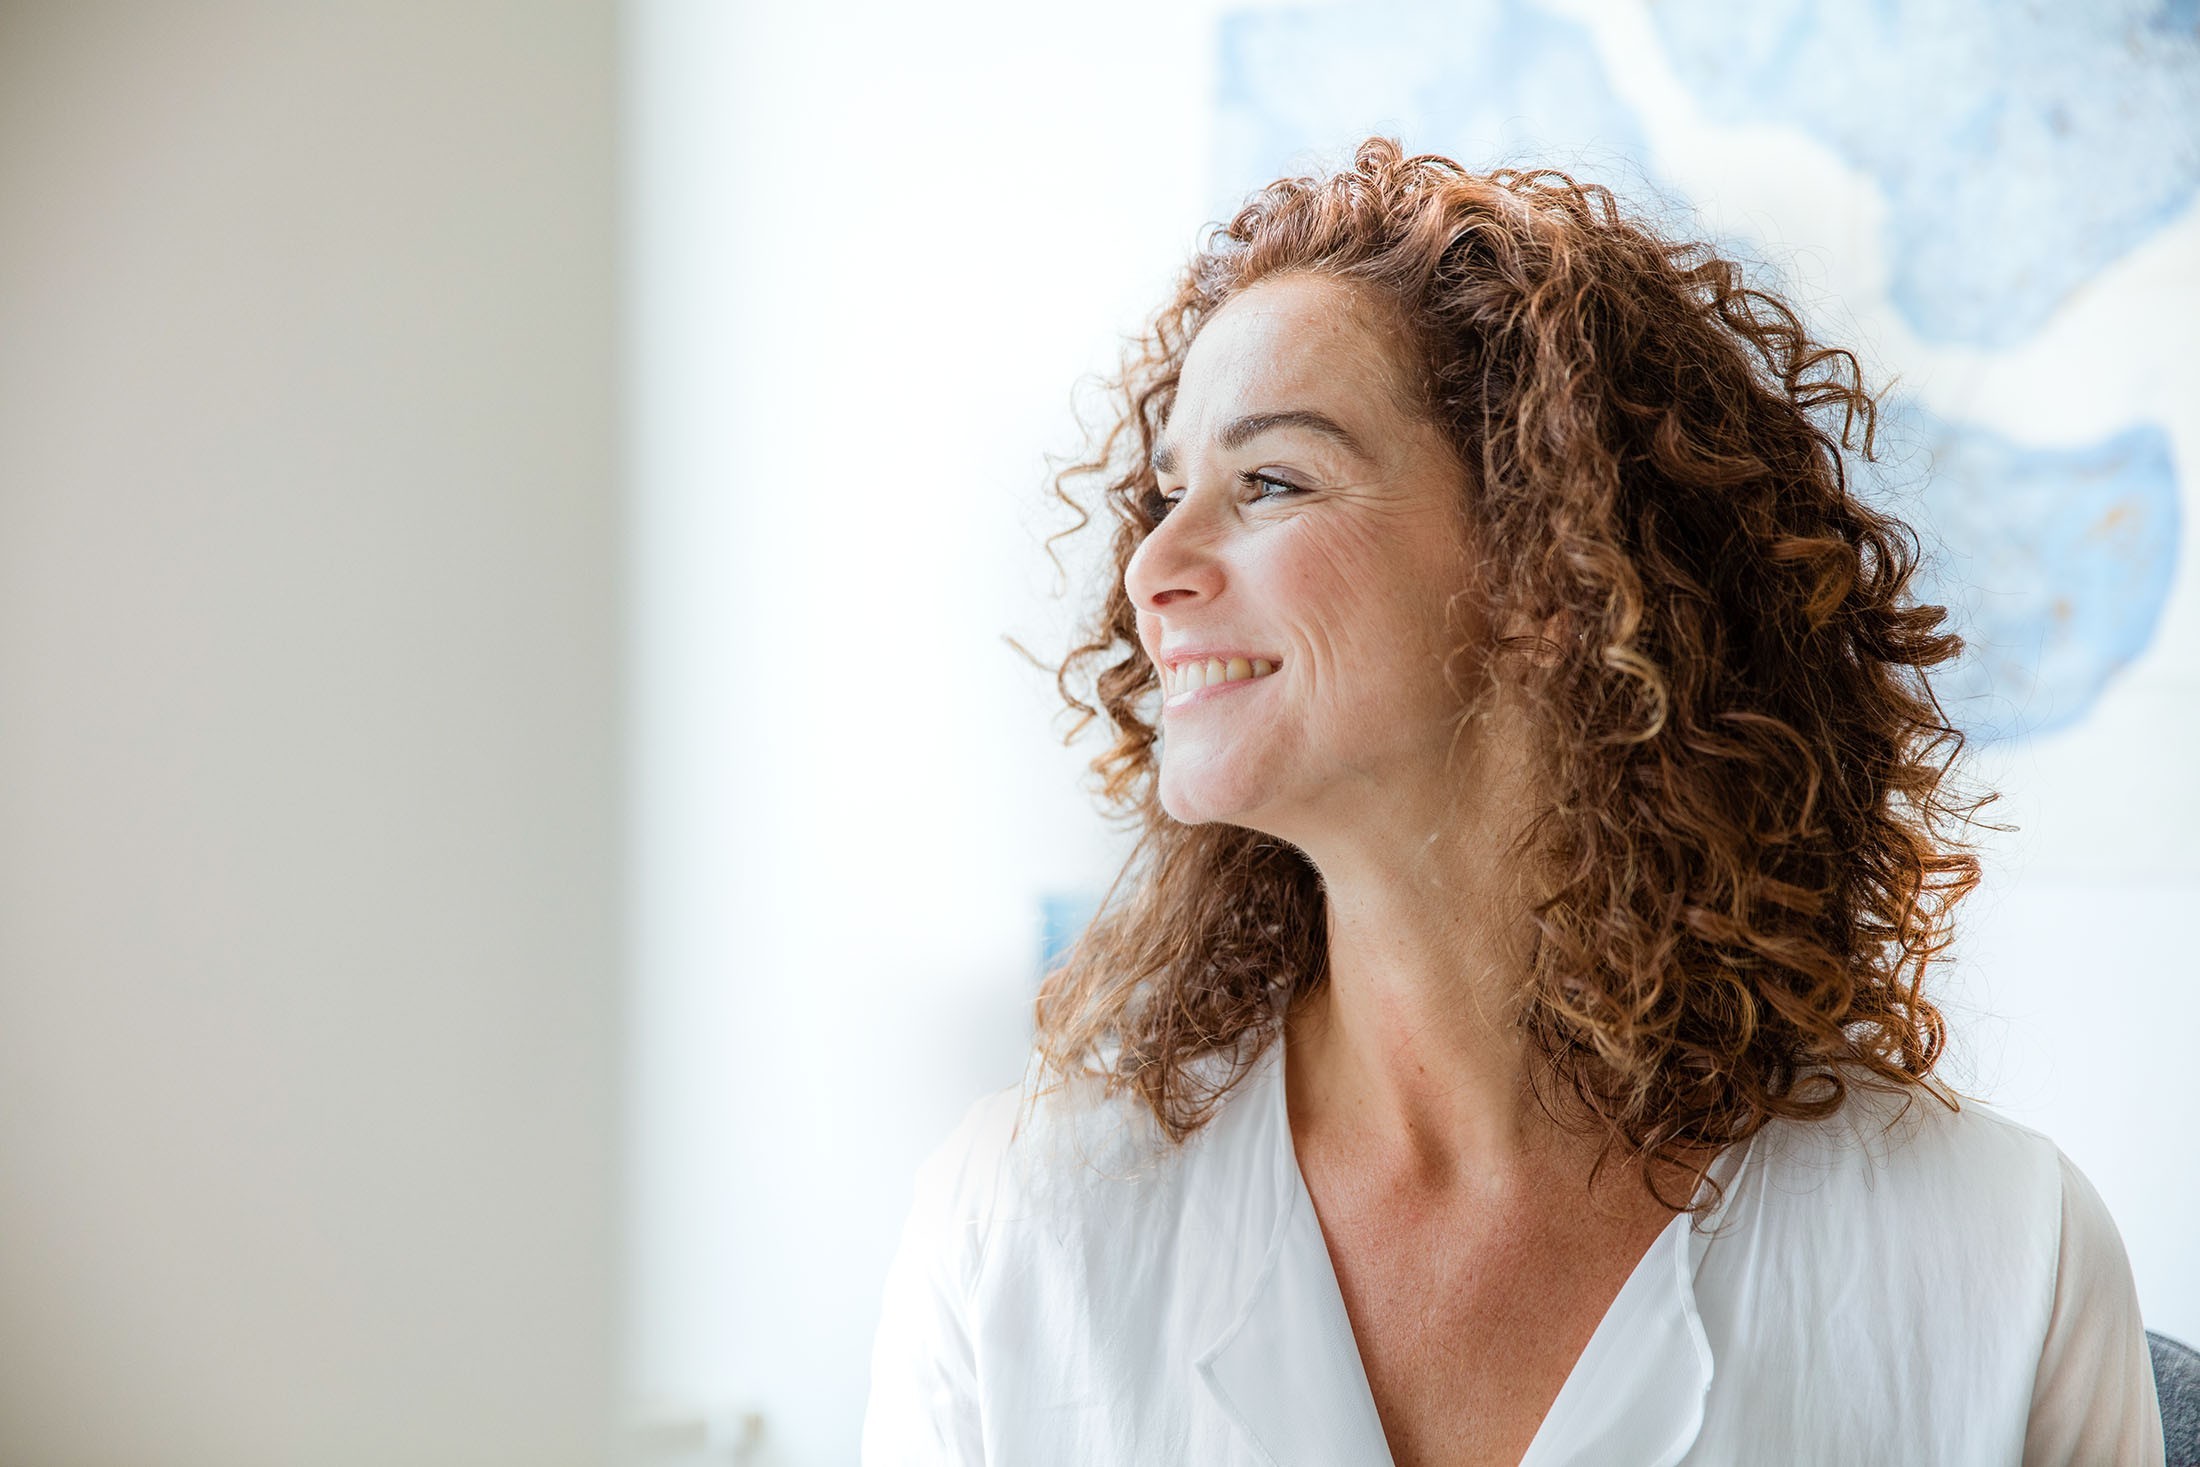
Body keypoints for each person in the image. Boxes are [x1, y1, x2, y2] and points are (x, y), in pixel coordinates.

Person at [860, 137, 2166, 1465]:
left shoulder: (2003, 1265)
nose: (1153, 565)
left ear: (1554, 563)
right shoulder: (1021, 1233)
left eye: (1270, 481)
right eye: (1162, 493)